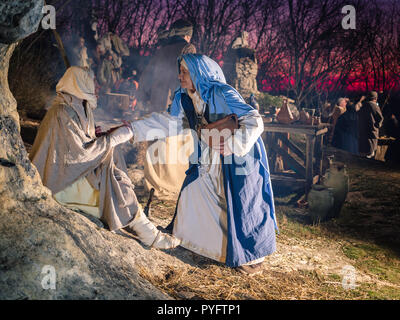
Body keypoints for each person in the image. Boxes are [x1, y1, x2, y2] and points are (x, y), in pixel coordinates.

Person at [128, 54, 278, 274]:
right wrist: (131, 129)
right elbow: (169, 123)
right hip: (207, 155)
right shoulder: (184, 97)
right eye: (179, 71)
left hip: (238, 157)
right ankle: (200, 244)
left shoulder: (222, 93)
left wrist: (233, 145)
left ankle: (250, 258)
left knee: (242, 204)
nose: (179, 76)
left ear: (200, 73)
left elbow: (254, 120)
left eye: (185, 72)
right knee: (196, 194)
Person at [29, 66, 180, 249]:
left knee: (113, 168)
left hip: (75, 170)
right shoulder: (62, 111)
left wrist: (100, 134)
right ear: (79, 83)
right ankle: (148, 234)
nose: (94, 85)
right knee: (113, 177)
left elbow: (83, 143)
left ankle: (145, 229)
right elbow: (79, 155)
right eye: (89, 81)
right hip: (62, 180)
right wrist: (113, 138)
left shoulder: (79, 105)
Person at [135, 19, 197, 200]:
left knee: (157, 141)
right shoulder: (188, 49)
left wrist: (143, 96)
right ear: (187, 34)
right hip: (176, 102)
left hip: (158, 101)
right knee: (175, 143)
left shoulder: (161, 50)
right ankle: (170, 184)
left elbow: (146, 75)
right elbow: (192, 73)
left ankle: (153, 183)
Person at [358, 91, 383, 158]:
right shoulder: (374, 105)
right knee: (370, 154)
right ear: (375, 98)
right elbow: (380, 118)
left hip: (364, 132)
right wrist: (377, 125)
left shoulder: (364, 105)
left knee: (364, 153)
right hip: (372, 133)